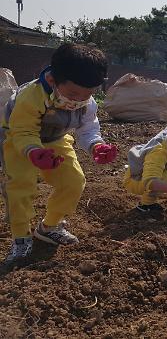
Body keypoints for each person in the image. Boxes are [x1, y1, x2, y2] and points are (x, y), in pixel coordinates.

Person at [0, 43, 118, 263]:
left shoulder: (85, 101)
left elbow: (88, 127)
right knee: (21, 187)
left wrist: (96, 145)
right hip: (18, 139)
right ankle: (21, 238)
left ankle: (48, 227)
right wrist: (34, 152)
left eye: (88, 94)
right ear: (53, 80)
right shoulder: (31, 96)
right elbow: (23, 131)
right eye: (73, 94)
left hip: (55, 139)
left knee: (74, 180)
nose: (78, 101)